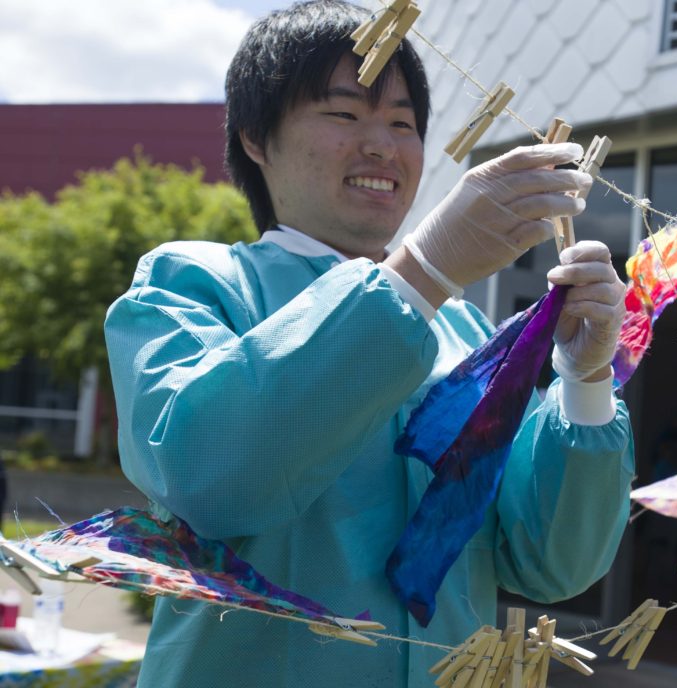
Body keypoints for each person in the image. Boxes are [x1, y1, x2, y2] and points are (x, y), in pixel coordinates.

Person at [103, 2, 633, 685]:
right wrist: (420, 274)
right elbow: (209, 478)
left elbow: (551, 564)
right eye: (344, 115)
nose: (382, 145)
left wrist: (585, 384)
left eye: (403, 123)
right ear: (256, 139)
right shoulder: (191, 284)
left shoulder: (465, 331)